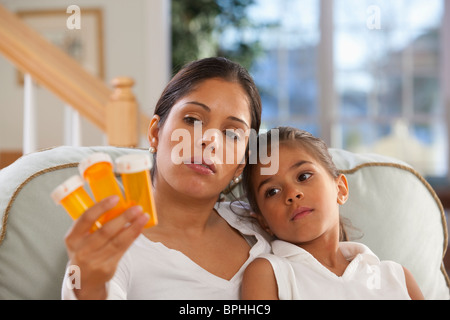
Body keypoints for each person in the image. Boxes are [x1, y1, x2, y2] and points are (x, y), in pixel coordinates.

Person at [62, 57, 270, 299]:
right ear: (155, 133)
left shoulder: (261, 224)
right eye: (192, 120)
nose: (210, 140)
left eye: (232, 133)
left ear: (240, 166)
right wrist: (89, 289)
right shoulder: (114, 247)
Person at [240, 126, 424, 300]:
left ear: (340, 189)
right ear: (263, 222)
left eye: (303, 176)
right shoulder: (269, 273)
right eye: (272, 191)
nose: (292, 194)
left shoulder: (398, 277)